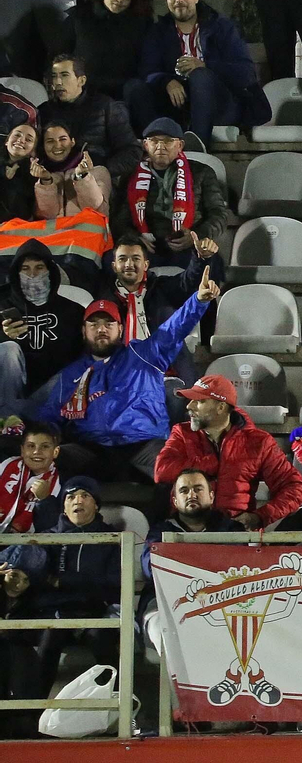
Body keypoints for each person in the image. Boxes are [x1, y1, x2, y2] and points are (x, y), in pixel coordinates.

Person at [39, 271, 219, 480]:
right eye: (94, 324)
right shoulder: (72, 374)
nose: (101, 329)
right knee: (48, 460)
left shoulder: (144, 354)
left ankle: (164, 514)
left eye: (109, 324)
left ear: (121, 328)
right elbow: (50, 416)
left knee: (183, 473)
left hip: (144, 445)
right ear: (83, 330)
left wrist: (197, 301)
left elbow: (173, 330)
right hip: (91, 449)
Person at [8, 476, 120, 705]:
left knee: (103, 638)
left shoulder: (112, 539)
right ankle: (31, 716)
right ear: (64, 506)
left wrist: (63, 581)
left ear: (96, 504)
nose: (77, 500)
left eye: (85, 496)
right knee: (50, 634)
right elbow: (25, 569)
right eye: (70, 497)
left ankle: (122, 710)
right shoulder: (46, 537)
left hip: (94, 612)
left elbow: (111, 583)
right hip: (55, 614)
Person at [124, 0, 264, 146]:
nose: (179, 0)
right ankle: (156, 145)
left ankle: (198, 147)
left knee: (200, 76)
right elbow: (147, 69)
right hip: (179, 104)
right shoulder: (158, 31)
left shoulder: (221, 27)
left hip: (220, 102)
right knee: (134, 87)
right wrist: (166, 81)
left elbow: (246, 73)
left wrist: (205, 66)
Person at [153, 375, 302, 528]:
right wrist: (213, 463)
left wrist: (260, 516)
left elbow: (295, 487)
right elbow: (162, 471)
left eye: (199, 401)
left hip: (233, 534)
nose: (189, 406)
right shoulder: (182, 433)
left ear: (221, 407)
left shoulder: (258, 441)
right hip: (188, 530)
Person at [114, 117, 229, 269]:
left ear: (180, 145)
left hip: (189, 243)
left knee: (210, 263)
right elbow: (119, 219)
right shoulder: (131, 176)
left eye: (168, 141)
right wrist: (135, 238)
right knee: (114, 260)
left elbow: (219, 214)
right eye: (154, 141)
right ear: (145, 145)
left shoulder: (202, 172)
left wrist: (196, 235)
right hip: (147, 246)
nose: (160, 146)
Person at [105, 234, 216, 382]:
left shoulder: (161, 288)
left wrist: (200, 258)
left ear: (146, 264)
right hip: (119, 374)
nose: (129, 264)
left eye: (136, 258)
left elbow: (188, 281)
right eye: (122, 259)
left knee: (176, 400)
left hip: (165, 374)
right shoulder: (104, 299)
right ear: (114, 266)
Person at [0, 241, 84, 401]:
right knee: (8, 349)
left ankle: (24, 415)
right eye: (25, 269)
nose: (32, 275)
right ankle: (9, 417)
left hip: (52, 391)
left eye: (39, 268)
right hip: (10, 389)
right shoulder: (2, 306)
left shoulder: (73, 311)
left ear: (50, 271)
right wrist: (3, 336)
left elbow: (81, 357)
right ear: (16, 273)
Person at [37, 54, 141, 184]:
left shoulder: (106, 106)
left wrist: (100, 170)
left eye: (64, 75)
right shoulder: (43, 112)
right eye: (54, 76)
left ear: (81, 80)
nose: (57, 82)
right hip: (53, 182)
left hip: (95, 182)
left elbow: (132, 152)